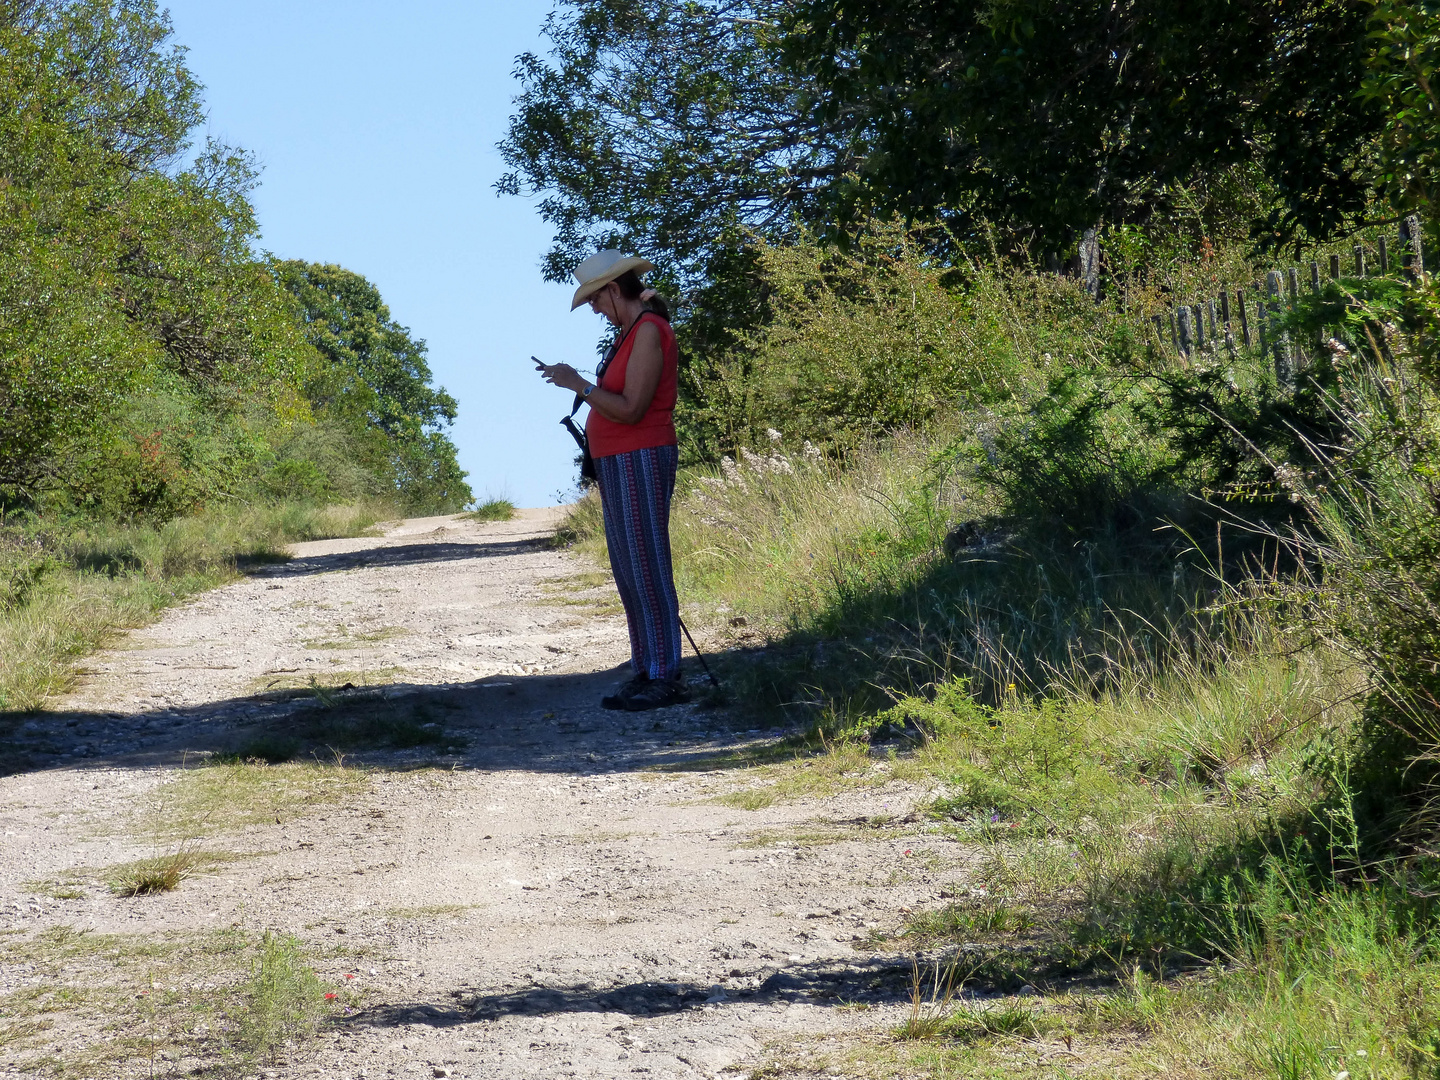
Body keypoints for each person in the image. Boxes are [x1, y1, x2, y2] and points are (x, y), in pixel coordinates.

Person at [537, 250, 688, 711]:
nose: (597, 311)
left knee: (646, 563)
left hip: (642, 455)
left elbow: (632, 408)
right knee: (628, 568)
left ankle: (665, 673)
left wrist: (578, 384)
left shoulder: (648, 331)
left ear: (611, 290)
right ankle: (646, 668)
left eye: (596, 302)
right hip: (619, 460)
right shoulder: (628, 334)